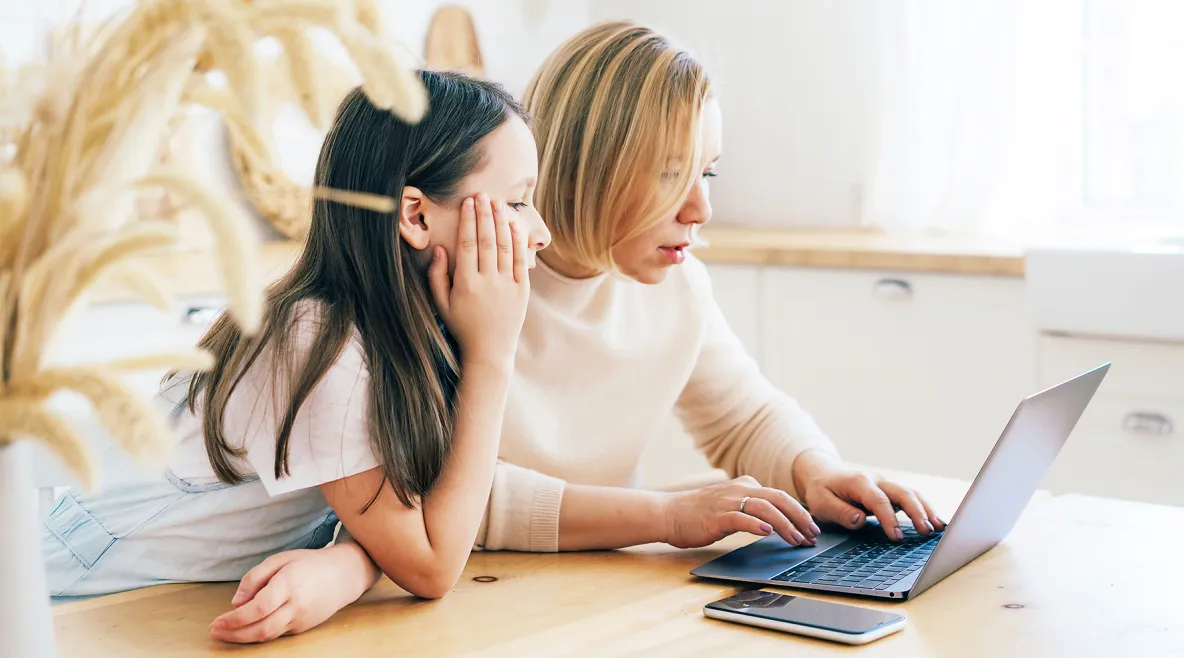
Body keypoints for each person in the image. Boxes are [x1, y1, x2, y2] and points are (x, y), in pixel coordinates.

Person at [210, 20, 948, 643]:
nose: (699, 210)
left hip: (579, 601)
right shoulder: (449, 286)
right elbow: (438, 496)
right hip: (480, 614)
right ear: (588, 166)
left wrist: (815, 469)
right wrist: (663, 514)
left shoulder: (676, 282)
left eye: (708, 174)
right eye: (669, 175)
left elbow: (745, 414)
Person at [42, 71, 552, 607]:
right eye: (518, 203)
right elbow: (431, 565)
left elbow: (421, 507)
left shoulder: (407, 333)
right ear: (416, 215)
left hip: (171, 605)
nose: (541, 232)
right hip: (75, 602)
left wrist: (349, 562)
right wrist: (492, 355)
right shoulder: (316, 341)